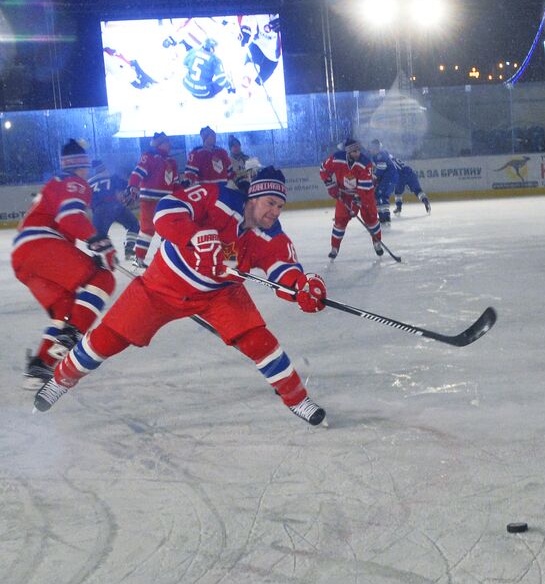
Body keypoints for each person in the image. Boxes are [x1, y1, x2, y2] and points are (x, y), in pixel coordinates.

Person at [33, 167, 330, 426]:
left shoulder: (272, 236)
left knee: (260, 341)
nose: (275, 211)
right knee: (108, 338)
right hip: (163, 285)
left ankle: (296, 399)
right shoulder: (218, 199)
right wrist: (194, 235)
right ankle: (60, 380)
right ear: (253, 197)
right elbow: (167, 209)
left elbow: (284, 273)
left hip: (219, 294)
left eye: (280, 206)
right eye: (270, 203)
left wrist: (302, 288)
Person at [11, 140, 118, 388]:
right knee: (103, 278)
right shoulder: (75, 182)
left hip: (24, 257)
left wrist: (88, 249)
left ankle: (40, 366)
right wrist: (98, 242)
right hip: (41, 244)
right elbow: (70, 217)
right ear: (81, 164)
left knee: (66, 308)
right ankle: (71, 338)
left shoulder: (57, 183)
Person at [320, 137, 386, 259]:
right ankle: (334, 248)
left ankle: (377, 243)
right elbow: (323, 169)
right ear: (348, 152)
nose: (357, 153)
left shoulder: (365, 163)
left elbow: (364, 187)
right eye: (354, 151)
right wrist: (331, 186)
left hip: (366, 194)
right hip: (344, 194)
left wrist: (357, 200)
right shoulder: (336, 158)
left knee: (371, 219)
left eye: (358, 150)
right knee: (339, 221)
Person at [125, 131, 180, 266]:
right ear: (160, 144)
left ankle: (164, 258)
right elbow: (138, 172)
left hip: (166, 202)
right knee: (147, 230)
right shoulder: (149, 157)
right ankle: (139, 258)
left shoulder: (172, 162)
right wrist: (133, 186)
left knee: (167, 229)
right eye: (167, 143)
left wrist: (182, 196)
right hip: (149, 200)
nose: (170, 145)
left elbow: (175, 183)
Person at [88, 158, 140, 260]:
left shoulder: (88, 183)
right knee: (134, 224)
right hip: (116, 206)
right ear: (103, 168)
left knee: (99, 238)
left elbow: (86, 202)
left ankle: (104, 258)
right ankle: (129, 247)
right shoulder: (111, 177)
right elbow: (125, 190)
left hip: (100, 210)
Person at [371, 139, 433, 221]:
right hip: (410, 172)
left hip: (400, 175)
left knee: (398, 192)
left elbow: (384, 169)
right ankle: (425, 200)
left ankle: (398, 207)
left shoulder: (384, 158)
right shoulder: (391, 157)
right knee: (418, 190)